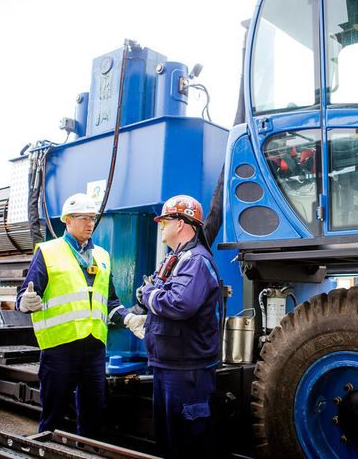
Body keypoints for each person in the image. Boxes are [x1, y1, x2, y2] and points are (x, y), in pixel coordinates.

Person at [16, 192, 146, 437]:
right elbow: (25, 295)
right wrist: (26, 302)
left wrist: (128, 318)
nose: (90, 224)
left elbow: (110, 301)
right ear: (67, 221)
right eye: (83, 218)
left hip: (94, 348)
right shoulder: (48, 251)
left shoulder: (102, 256)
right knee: (53, 415)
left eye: (92, 218)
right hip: (59, 347)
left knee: (93, 413)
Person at [140, 194, 222, 458]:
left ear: (180, 223)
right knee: (168, 443)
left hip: (187, 372)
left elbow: (179, 304)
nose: (162, 226)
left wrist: (148, 295)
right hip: (168, 365)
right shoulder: (175, 259)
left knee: (187, 444)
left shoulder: (195, 261)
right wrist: (151, 294)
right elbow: (154, 290)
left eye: (165, 220)